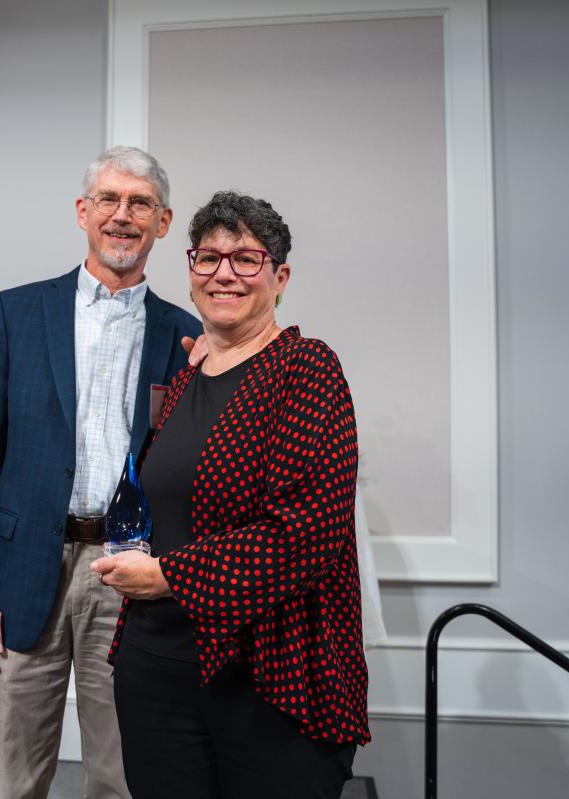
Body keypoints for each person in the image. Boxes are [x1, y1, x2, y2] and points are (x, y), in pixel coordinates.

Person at [91, 191, 370, 799]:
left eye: (246, 259)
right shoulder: (187, 377)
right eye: (207, 258)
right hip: (156, 668)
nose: (224, 273)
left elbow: (304, 535)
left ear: (280, 276)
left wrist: (170, 575)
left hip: (269, 675)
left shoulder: (306, 369)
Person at [0, 146, 202, 799]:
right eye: (109, 200)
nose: (123, 215)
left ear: (164, 221)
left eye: (140, 202)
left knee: (125, 775)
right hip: (21, 568)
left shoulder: (186, 336)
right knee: (13, 777)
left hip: (131, 574)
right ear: (84, 213)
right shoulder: (17, 313)